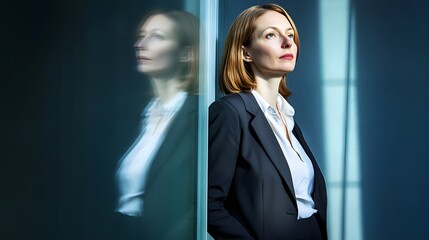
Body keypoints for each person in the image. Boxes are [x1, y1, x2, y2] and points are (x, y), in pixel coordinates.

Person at [208, 3, 327, 240]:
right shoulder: (230, 112)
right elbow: (207, 205)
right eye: (271, 34)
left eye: (290, 35)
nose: (287, 43)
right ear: (245, 52)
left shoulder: (288, 118)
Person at [115, 10, 199, 240]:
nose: (140, 44)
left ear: (186, 54)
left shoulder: (199, 116)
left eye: (157, 36)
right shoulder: (144, 115)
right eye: (141, 35)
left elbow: (202, 202)